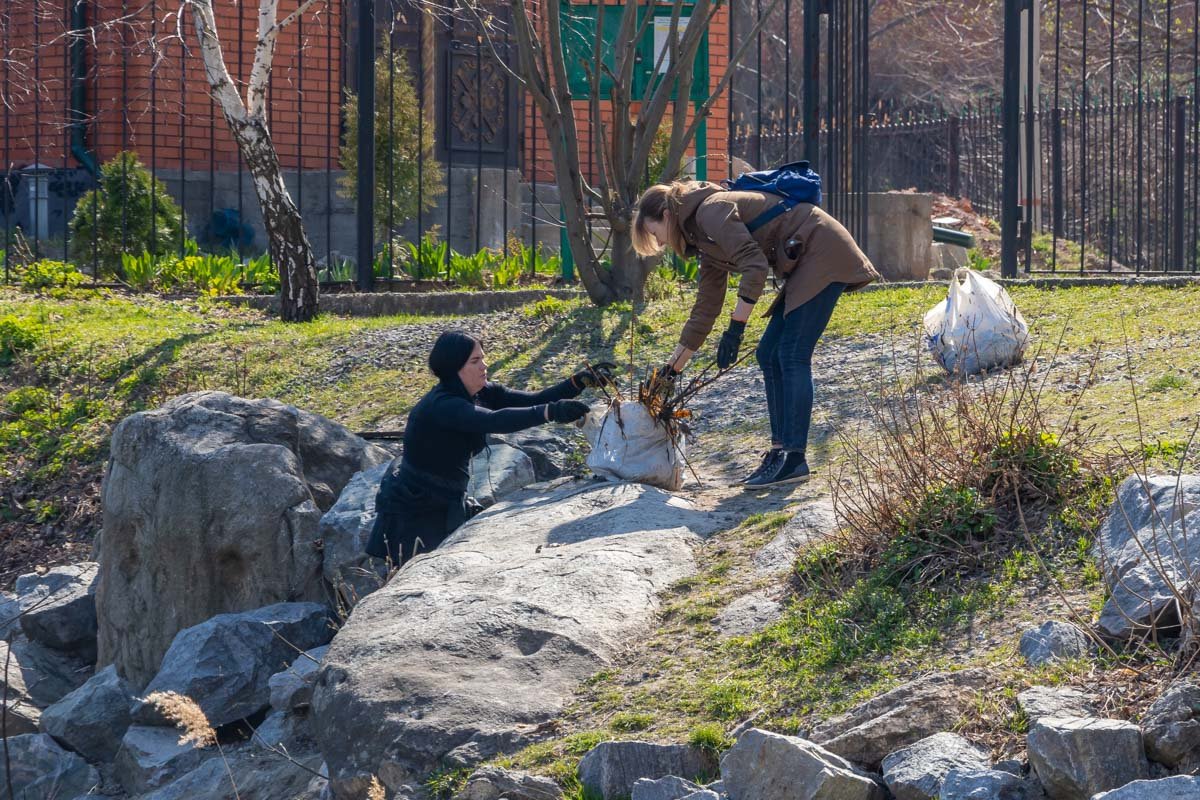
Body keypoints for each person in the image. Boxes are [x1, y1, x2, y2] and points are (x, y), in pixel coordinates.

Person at [632, 179, 879, 489]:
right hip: (803, 260)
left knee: (791, 354)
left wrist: (736, 329)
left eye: (656, 235)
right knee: (768, 353)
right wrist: (670, 371)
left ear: (667, 217)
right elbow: (705, 309)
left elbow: (755, 266)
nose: (663, 244)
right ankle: (779, 452)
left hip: (823, 250)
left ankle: (794, 457)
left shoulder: (711, 212)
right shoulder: (701, 238)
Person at [365, 330, 614, 567]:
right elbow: (493, 420)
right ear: (455, 366)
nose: (484, 366)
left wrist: (578, 382)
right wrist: (551, 412)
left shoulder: (481, 392)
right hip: (415, 510)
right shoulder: (442, 405)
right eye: (475, 361)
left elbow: (534, 400)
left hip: (447, 498)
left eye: (483, 358)